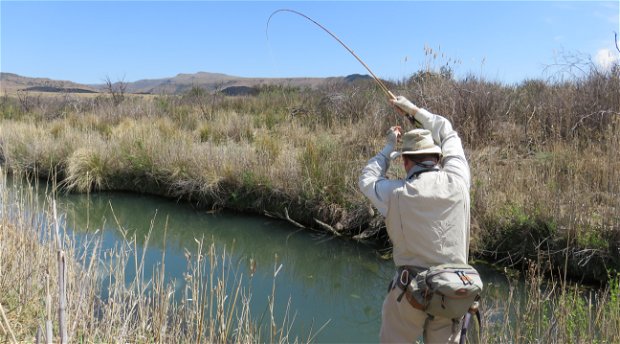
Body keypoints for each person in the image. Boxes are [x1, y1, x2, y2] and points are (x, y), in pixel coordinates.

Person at [359, 96, 471, 343]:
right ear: (437, 157)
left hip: (409, 294)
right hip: (453, 294)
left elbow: (367, 180)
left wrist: (388, 147)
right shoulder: (460, 180)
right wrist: (413, 110)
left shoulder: (396, 193)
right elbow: (448, 132)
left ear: (405, 161)